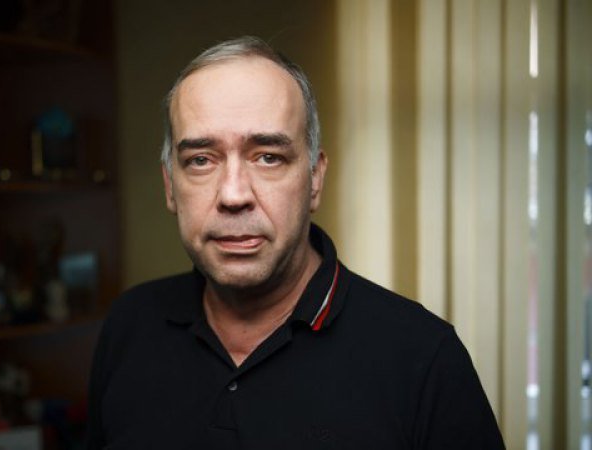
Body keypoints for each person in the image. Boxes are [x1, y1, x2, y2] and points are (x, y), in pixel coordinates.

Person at [85, 36, 505, 449]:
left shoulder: (424, 358)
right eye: (200, 160)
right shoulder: (129, 326)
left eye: (268, 157)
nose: (233, 194)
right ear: (170, 187)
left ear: (315, 179)